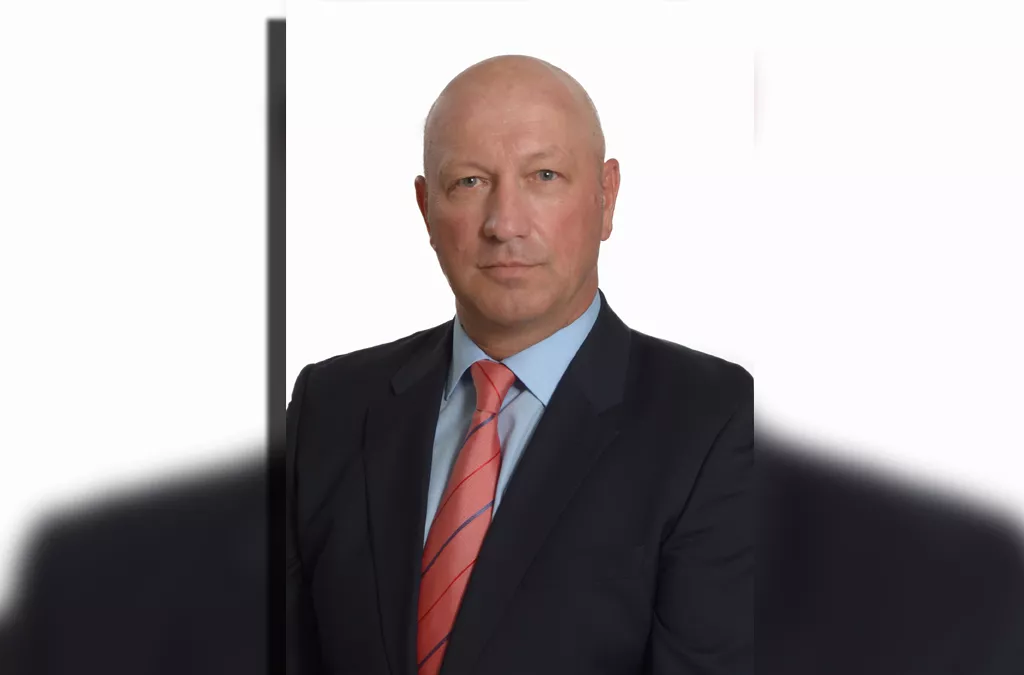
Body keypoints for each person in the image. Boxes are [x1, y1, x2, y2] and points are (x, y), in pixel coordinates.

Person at [286, 55, 754, 675]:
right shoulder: (330, 405)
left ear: (607, 196)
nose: (505, 224)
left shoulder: (713, 421)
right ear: (426, 209)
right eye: (469, 182)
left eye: (544, 175)